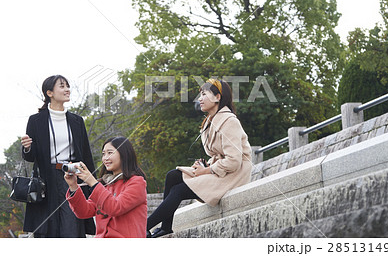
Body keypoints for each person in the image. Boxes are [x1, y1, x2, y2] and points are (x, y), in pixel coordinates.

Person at [147, 78, 253, 238]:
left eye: (204, 94)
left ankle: (141, 228)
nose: (200, 99)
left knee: (179, 190)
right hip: (219, 169)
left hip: (234, 175)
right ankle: (166, 228)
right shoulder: (210, 122)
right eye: (200, 95)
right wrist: (204, 165)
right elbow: (218, 154)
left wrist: (206, 170)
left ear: (218, 97)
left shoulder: (230, 121)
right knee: (173, 176)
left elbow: (234, 161)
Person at [20, 75, 96, 237]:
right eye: (62, 86)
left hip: (72, 176)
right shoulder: (36, 121)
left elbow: (86, 155)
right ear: (50, 93)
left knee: (72, 226)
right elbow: (31, 157)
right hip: (46, 181)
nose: (67, 89)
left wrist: (93, 183)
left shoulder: (77, 121)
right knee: (48, 229)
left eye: (67, 86)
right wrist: (27, 148)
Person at [64, 137, 148, 238]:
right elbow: (84, 211)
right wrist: (73, 186)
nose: (105, 158)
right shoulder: (107, 184)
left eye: (110, 153)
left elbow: (115, 208)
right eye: (103, 154)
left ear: (124, 154)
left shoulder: (137, 182)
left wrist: (93, 182)